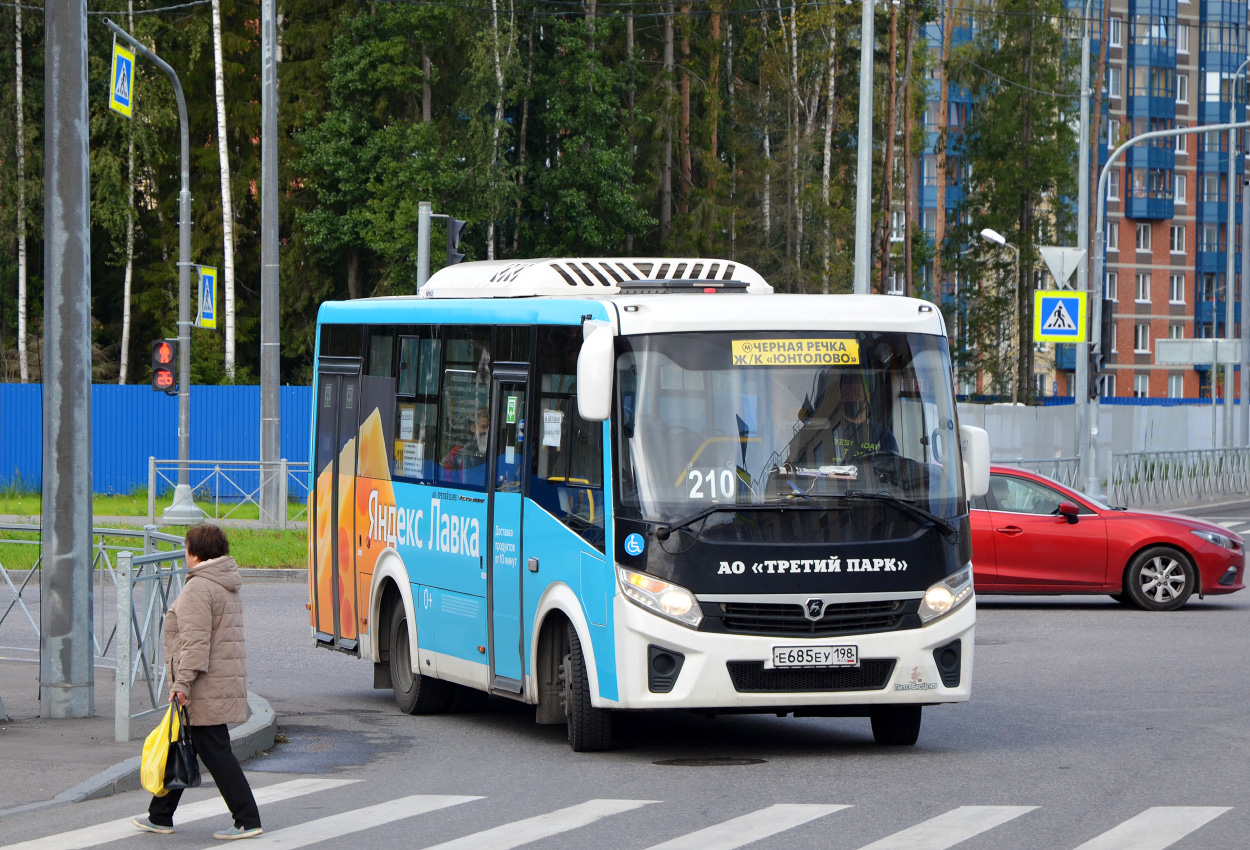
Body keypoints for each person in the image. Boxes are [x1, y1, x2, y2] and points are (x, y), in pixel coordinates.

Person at [132, 524, 263, 841]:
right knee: (189, 744)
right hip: (217, 681)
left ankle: (246, 818)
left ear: (195, 553)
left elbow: (195, 644)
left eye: (187, 548)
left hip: (203, 685)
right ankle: (160, 815)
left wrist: (182, 684)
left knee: (215, 752)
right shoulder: (224, 583)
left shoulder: (198, 588)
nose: (185, 554)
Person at [829, 372, 898, 465]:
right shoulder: (831, 432)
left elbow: (894, 469)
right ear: (840, 398)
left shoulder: (883, 434)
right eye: (845, 394)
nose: (851, 398)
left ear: (866, 397)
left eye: (856, 393)